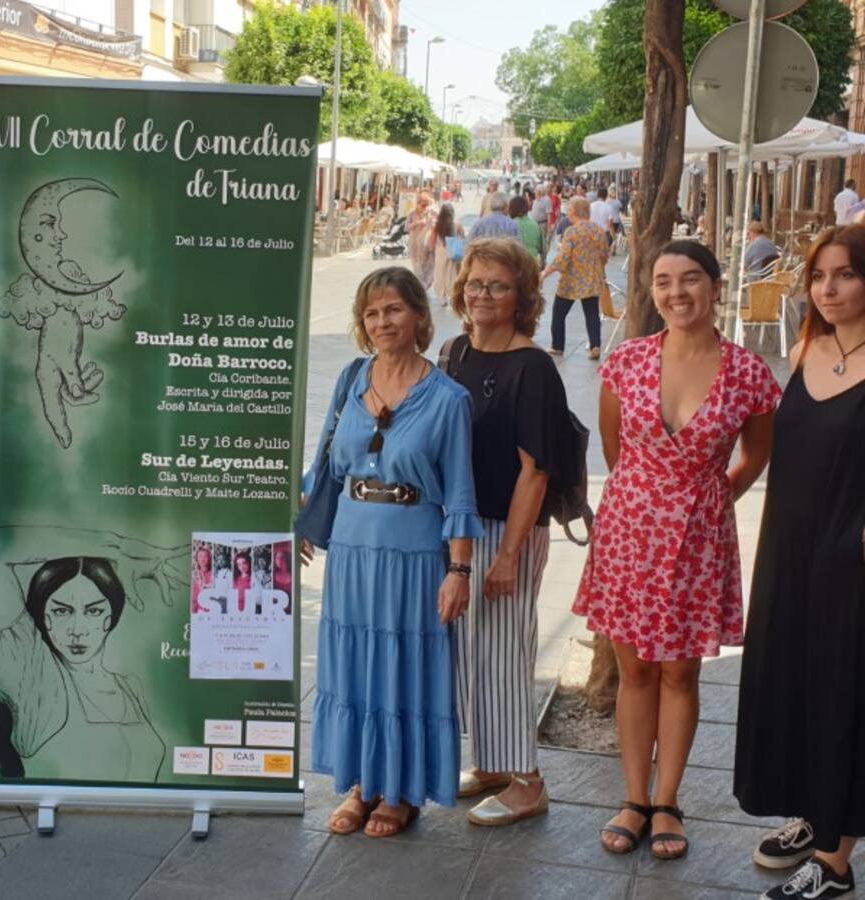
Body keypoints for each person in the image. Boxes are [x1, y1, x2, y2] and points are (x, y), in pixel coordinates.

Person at [573, 240, 779, 861]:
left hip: (697, 539)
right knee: (635, 670)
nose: (677, 293)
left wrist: (711, 498)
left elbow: (757, 456)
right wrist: (648, 499)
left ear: (716, 287)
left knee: (681, 674)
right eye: (663, 282)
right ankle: (634, 799)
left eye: (691, 279)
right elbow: (614, 450)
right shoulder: (627, 361)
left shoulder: (749, 373)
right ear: (651, 290)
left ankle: (668, 801)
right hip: (630, 532)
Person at [307, 266, 482, 839]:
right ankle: (361, 784)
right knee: (357, 667)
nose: (382, 321)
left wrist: (458, 569)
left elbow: (459, 492)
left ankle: (402, 791)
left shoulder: (448, 398)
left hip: (413, 552)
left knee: (405, 668)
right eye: (372, 312)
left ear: (419, 317)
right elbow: (327, 459)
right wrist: (306, 520)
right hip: (353, 549)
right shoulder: (351, 378)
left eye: (394, 310)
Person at [735, 225, 865, 900]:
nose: (829, 288)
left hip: (853, 553)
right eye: (819, 276)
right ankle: (816, 816)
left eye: (845, 274)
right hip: (790, 547)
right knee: (798, 680)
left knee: (844, 690)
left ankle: (836, 862)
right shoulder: (804, 347)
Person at [441, 238, 574, 826]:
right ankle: (494, 763)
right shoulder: (453, 353)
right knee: (470, 654)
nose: (483, 294)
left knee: (504, 654)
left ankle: (529, 781)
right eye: (474, 282)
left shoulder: (533, 367)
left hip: (507, 530)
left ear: (521, 295)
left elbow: (536, 469)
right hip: (460, 528)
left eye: (497, 285)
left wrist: (508, 556)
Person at [0, 527, 183, 781]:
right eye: (62, 611)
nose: (77, 630)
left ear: (109, 617)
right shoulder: (34, 678)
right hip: (66, 817)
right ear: (44, 617)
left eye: (93, 611)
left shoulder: (129, 687)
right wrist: (110, 550)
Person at [542, 197, 610, 360]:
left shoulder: (572, 232)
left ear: (574, 212)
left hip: (571, 281)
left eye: (570, 210)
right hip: (592, 279)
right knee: (592, 314)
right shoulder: (598, 231)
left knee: (559, 313)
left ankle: (558, 346)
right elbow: (604, 255)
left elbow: (562, 259)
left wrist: (545, 273)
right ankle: (595, 346)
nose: (568, 214)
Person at [431, 203, 465, 305]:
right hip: (452, 249)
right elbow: (462, 237)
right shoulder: (457, 224)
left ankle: (442, 298)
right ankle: (452, 294)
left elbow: (433, 239)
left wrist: (434, 250)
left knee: (439, 273)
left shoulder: (437, 224)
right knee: (451, 273)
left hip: (440, 249)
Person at [406, 193, 436, 288]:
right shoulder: (412, 213)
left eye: (427, 205)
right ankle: (421, 286)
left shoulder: (431, 212)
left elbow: (439, 221)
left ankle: (425, 285)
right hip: (414, 243)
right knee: (417, 265)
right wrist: (417, 223)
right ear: (417, 204)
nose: (425, 207)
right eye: (423, 205)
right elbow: (406, 227)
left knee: (429, 265)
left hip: (427, 243)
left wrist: (434, 224)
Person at [509, 196, 544, 267]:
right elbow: (542, 248)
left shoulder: (510, 224)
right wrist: (543, 264)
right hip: (532, 261)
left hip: (515, 262)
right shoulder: (535, 224)